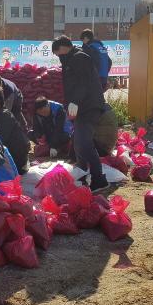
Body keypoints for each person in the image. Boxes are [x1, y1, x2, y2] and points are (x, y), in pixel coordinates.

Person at [52, 35, 109, 193]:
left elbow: (83, 83)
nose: (58, 56)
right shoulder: (69, 59)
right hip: (80, 107)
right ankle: (82, 175)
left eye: (57, 52)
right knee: (78, 143)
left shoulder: (80, 58)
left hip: (89, 106)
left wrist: (75, 101)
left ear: (64, 47)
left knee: (84, 142)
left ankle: (99, 179)